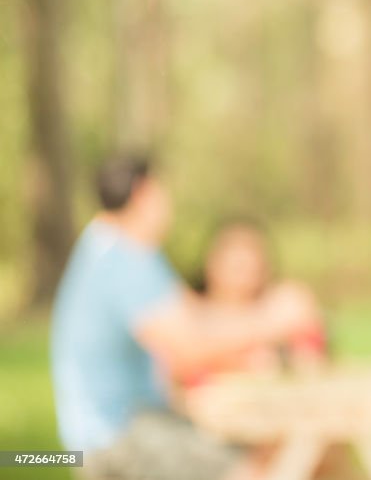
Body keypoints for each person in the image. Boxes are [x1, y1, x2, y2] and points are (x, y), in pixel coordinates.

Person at [50, 156, 319, 480]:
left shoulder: (111, 248)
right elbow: (188, 348)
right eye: (164, 194)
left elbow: (192, 313)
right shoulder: (125, 259)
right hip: (117, 437)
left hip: (124, 429)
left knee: (268, 453)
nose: (169, 207)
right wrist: (272, 323)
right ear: (143, 193)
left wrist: (268, 312)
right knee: (254, 472)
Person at [179, 218, 327, 388]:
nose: (241, 263)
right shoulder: (184, 310)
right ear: (210, 261)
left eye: (249, 255)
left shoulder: (285, 300)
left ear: (265, 266)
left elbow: (311, 362)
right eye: (231, 254)